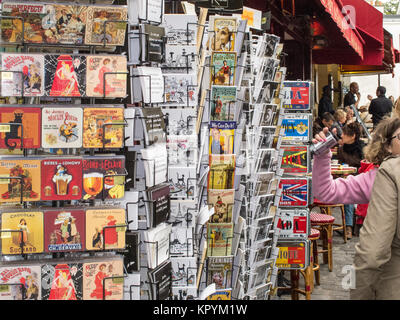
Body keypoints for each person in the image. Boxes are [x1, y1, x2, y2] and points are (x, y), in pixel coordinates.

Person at [350, 119, 400, 299]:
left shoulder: (391, 171)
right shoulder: (376, 174)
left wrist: (358, 294)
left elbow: (371, 253)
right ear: (386, 146)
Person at [312, 116, 400, 211]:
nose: (342, 135)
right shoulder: (379, 179)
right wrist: (323, 153)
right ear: (387, 145)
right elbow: (326, 191)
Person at [336, 122, 365, 239]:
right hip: (345, 179)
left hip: (361, 180)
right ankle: (348, 226)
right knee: (347, 189)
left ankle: (349, 226)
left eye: (344, 133)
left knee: (349, 191)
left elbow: (364, 166)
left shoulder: (362, 149)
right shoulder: (341, 149)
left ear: (353, 136)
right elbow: (340, 165)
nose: (341, 135)